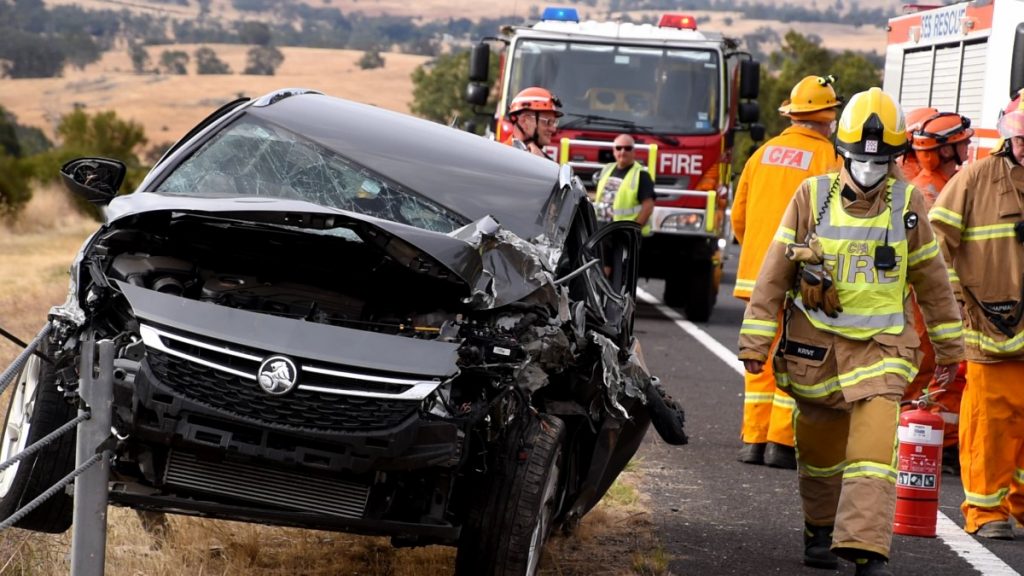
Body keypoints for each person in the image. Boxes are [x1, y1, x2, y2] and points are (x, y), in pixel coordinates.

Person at [738, 87, 965, 575]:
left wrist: (949, 348)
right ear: (841, 152)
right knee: (819, 456)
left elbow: (933, 280)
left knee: (871, 454)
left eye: (882, 159)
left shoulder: (907, 206)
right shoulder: (812, 196)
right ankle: (819, 532)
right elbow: (774, 271)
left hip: (882, 350)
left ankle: (864, 548)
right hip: (816, 350)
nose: (869, 166)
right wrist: (755, 341)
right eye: (860, 157)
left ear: (897, 157)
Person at [732, 74, 843, 469]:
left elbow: (739, 216)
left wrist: (760, 257)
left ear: (793, 115)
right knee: (797, 355)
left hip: (756, 276)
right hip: (801, 277)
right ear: (827, 118)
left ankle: (753, 439)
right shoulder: (830, 160)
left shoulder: (761, 153)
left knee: (757, 355)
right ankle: (781, 442)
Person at [929, 89, 1024, 540]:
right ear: (1008, 135)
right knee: (990, 428)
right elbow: (932, 251)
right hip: (991, 336)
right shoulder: (976, 180)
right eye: (1021, 138)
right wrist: (957, 307)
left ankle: (1019, 508)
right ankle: (985, 513)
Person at [901, 111, 974, 474]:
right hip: (926, 299)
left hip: (928, 297)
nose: (968, 146)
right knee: (926, 368)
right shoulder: (932, 191)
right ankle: (914, 439)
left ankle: (931, 440)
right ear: (945, 151)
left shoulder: (934, 185)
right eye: (962, 143)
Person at [594, 134, 656, 235]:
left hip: (623, 234)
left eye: (627, 148)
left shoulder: (641, 175)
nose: (622, 151)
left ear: (633, 152)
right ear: (614, 151)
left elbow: (648, 206)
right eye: (619, 148)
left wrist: (634, 231)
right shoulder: (607, 169)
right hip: (601, 230)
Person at [503, 87, 562, 159]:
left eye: (554, 122)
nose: (553, 129)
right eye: (548, 122)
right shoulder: (502, 157)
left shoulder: (544, 159)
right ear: (524, 121)